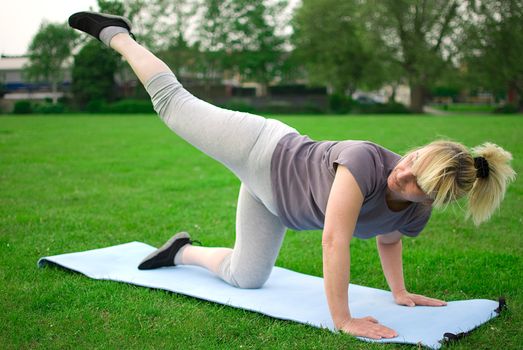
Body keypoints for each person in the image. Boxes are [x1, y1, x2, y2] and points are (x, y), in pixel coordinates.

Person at [68, 12, 516, 340]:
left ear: (430, 201)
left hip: (272, 201)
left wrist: (398, 292)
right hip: (261, 149)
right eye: (412, 158)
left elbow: (390, 235)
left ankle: (181, 252)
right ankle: (117, 33)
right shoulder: (364, 162)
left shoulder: (415, 216)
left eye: (414, 181)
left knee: (246, 277)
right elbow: (334, 241)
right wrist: (343, 319)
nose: (402, 170)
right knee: (173, 105)